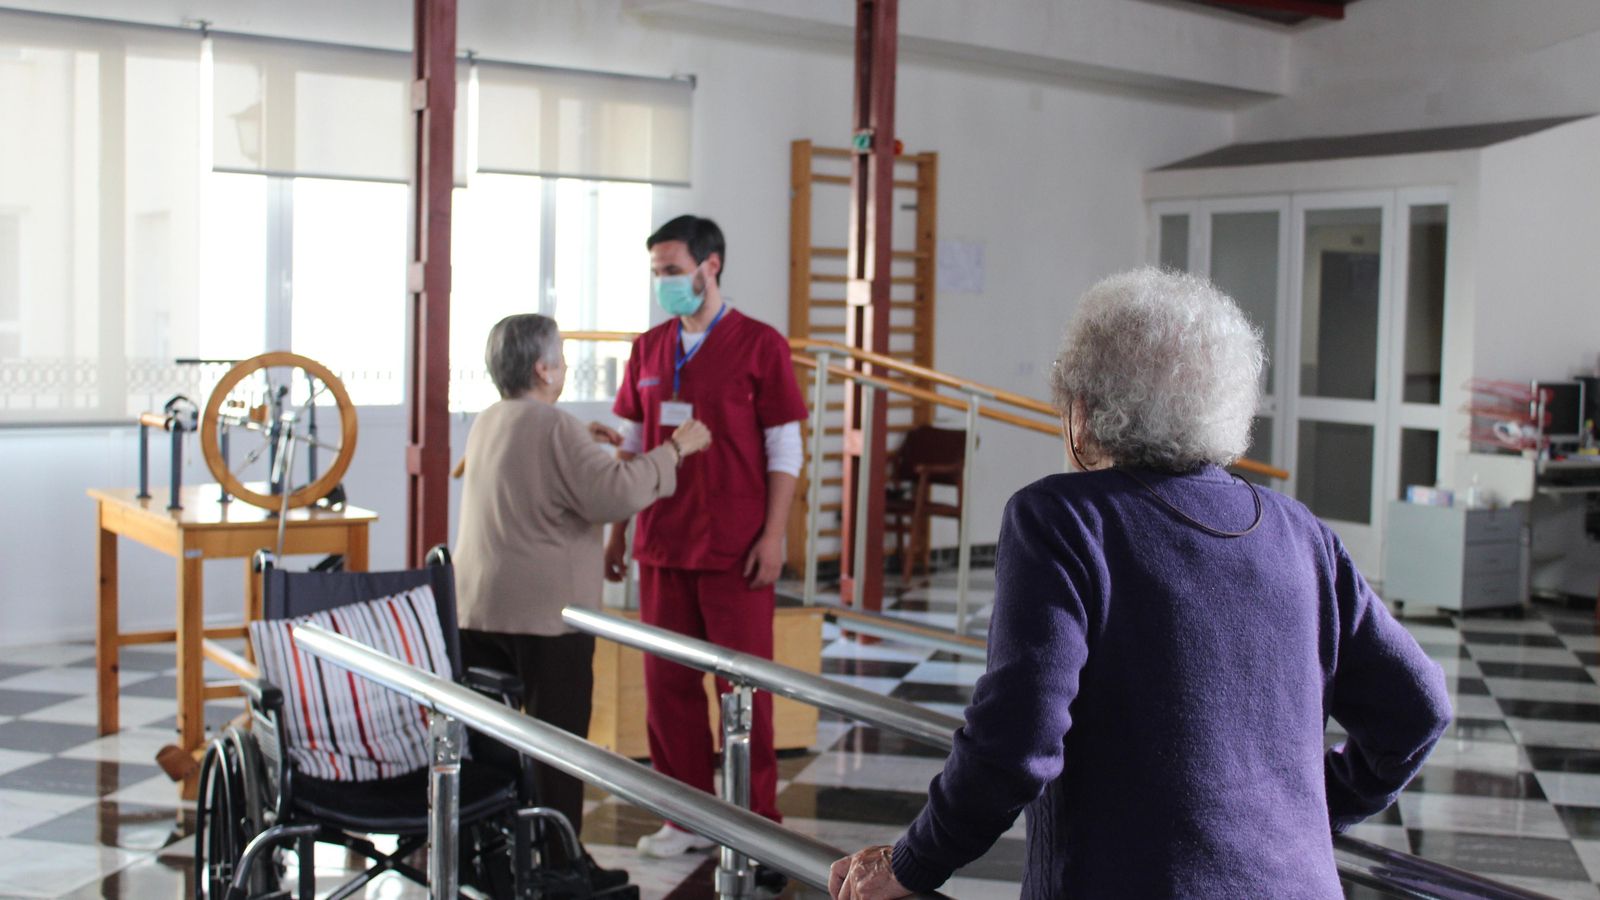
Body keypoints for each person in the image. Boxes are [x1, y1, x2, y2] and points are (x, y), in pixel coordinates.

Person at [828, 268, 1452, 899]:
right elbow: (1418, 710)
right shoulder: (1301, 533)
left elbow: (1014, 741)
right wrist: (1309, 815)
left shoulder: (1062, 519)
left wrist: (913, 863)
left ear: (1084, 412)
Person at [454, 313, 711, 844]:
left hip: (479, 609)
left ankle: (495, 850)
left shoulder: (491, 418)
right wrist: (675, 449)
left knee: (493, 744)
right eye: (563, 357)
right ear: (545, 369)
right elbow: (614, 493)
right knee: (558, 751)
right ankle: (555, 857)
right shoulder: (554, 427)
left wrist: (577, 438)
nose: (566, 366)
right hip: (547, 621)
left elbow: (537, 473)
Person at [605, 215, 810, 859]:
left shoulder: (759, 346)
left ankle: (756, 821)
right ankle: (683, 816)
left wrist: (774, 535)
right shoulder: (648, 348)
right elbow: (632, 452)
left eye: (671, 270)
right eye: (656, 273)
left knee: (743, 691)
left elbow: (786, 451)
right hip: (662, 543)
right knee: (667, 687)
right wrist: (617, 536)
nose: (663, 283)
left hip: (736, 548)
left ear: (709, 266)